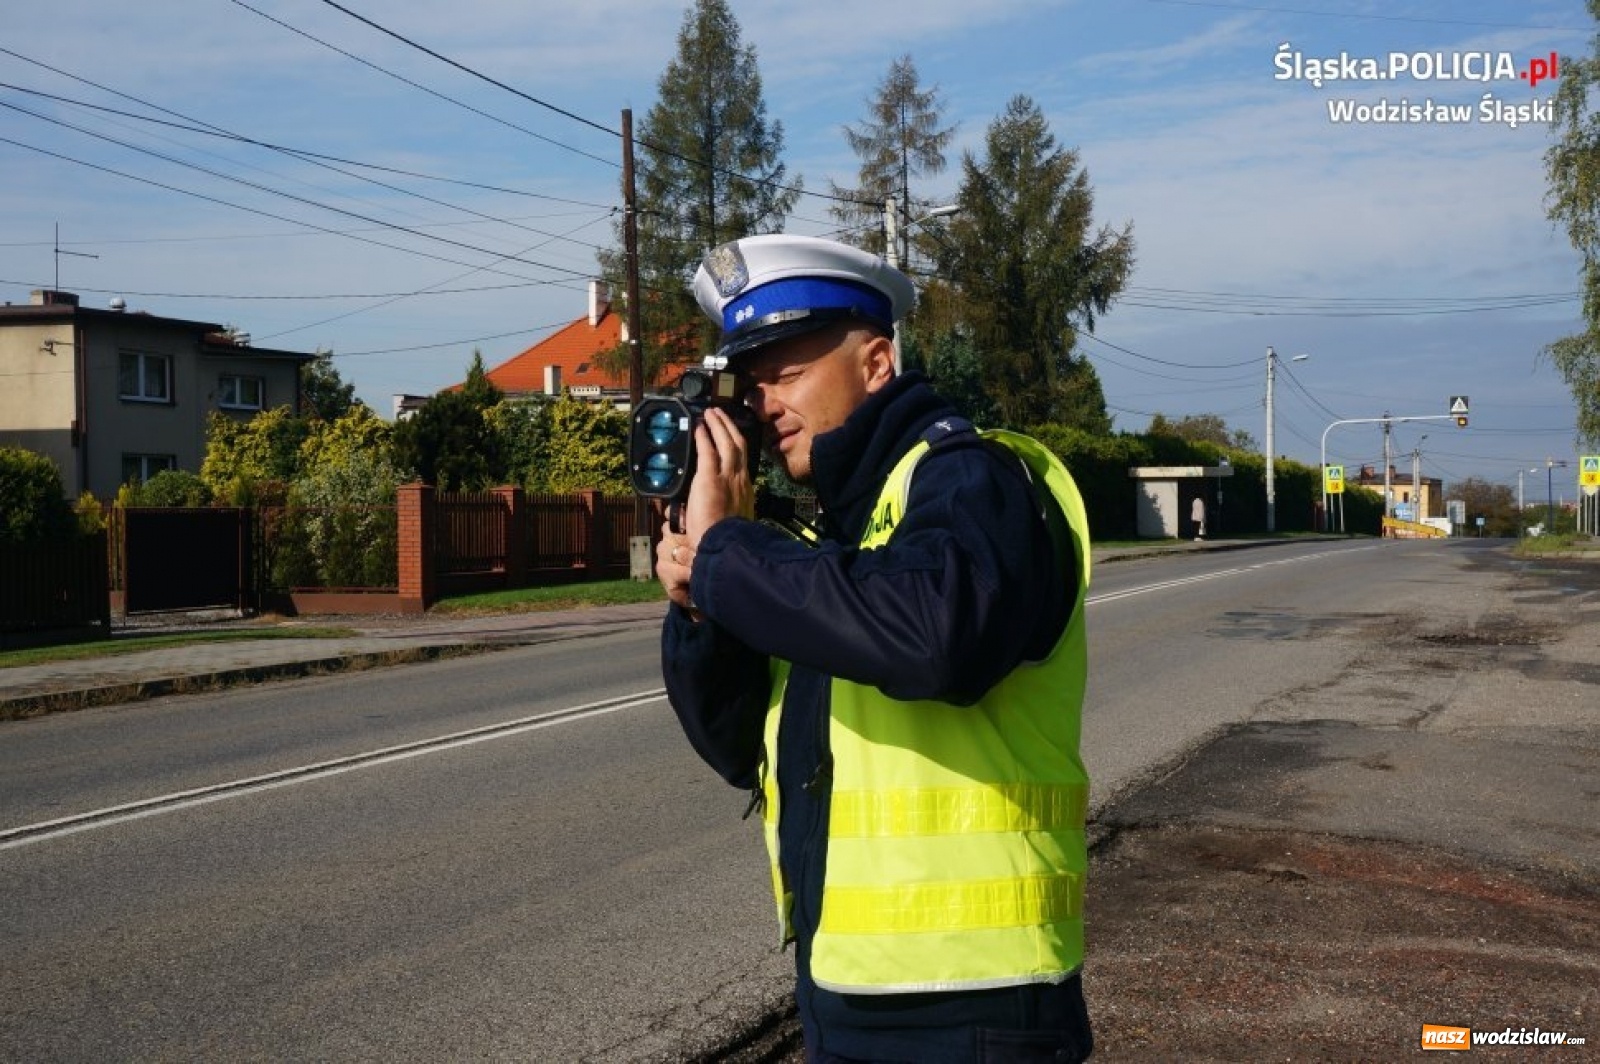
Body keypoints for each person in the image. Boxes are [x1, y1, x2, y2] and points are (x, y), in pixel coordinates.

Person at [655, 233, 1094, 1063]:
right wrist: (702, 605)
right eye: (751, 385)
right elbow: (736, 744)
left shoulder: (975, 479)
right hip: (842, 989)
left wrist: (731, 557)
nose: (764, 403)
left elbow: (938, 639)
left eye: (786, 373)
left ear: (878, 363)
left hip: (978, 1006)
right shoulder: (826, 541)